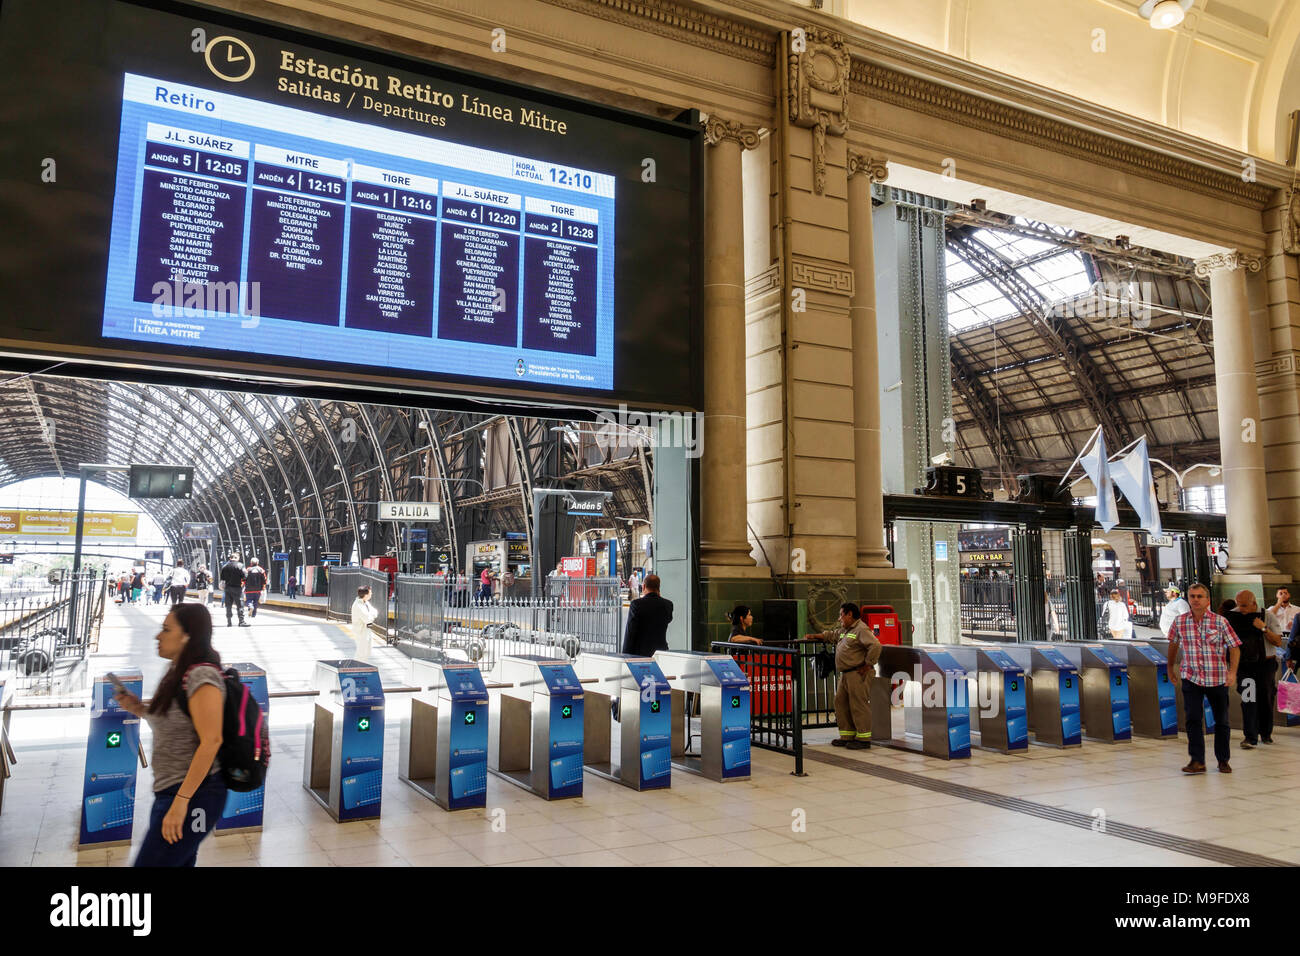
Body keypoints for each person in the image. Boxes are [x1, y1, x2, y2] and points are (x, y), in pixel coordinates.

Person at [112, 603, 227, 866]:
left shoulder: (202, 676)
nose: (157, 636)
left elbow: (212, 741)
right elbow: (177, 724)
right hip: (172, 791)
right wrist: (138, 709)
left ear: (187, 636)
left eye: (166, 630)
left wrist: (181, 802)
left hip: (196, 795)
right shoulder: (178, 672)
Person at [1167, 583, 1240, 774]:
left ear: (1207, 600)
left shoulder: (1220, 622)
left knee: (1221, 720)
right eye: (1192, 596)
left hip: (1217, 678)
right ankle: (1197, 760)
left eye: (1200, 596)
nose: (1196, 600)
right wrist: (1170, 667)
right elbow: (1173, 644)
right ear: (1188, 599)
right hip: (1191, 677)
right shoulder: (1180, 621)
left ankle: (1223, 760)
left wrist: (1232, 672)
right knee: (1192, 719)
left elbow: (1234, 647)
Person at [804, 603, 882, 749]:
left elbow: (876, 645)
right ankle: (847, 735)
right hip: (846, 673)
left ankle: (864, 738)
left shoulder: (861, 629)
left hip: (858, 673)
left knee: (858, 705)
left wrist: (867, 664)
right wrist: (814, 636)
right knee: (841, 703)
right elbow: (832, 635)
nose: (839, 618)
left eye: (841, 615)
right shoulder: (846, 631)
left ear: (850, 614)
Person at [1226, 590, 1284, 748]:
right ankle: (1250, 737)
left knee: (1266, 698)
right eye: (1238, 604)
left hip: (1265, 665)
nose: (1241, 608)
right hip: (1245, 666)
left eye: (1244, 605)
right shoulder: (1232, 616)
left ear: (1254, 603)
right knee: (1248, 699)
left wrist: (1263, 628)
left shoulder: (1268, 616)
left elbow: (1278, 642)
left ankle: (1266, 733)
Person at [622, 573, 673, 656]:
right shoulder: (668, 604)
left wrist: (625, 655)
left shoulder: (636, 604)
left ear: (644, 586)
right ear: (658, 587)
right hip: (660, 653)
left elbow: (630, 633)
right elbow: (668, 619)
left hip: (640, 654)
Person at [350, 585, 379, 662]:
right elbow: (368, 619)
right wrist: (371, 615)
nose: (371, 594)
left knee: (367, 651)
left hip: (367, 630)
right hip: (361, 631)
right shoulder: (358, 605)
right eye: (370, 593)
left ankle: (362, 667)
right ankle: (356, 668)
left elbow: (375, 612)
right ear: (366, 595)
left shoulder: (365, 602)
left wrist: (371, 615)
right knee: (361, 652)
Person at [219, 553, 246, 627]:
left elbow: (222, 578)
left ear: (230, 558)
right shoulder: (240, 565)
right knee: (240, 605)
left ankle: (229, 622)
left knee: (228, 605)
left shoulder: (224, 566)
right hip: (237, 588)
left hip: (227, 588)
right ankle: (241, 621)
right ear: (237, 558)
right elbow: (245, 576)